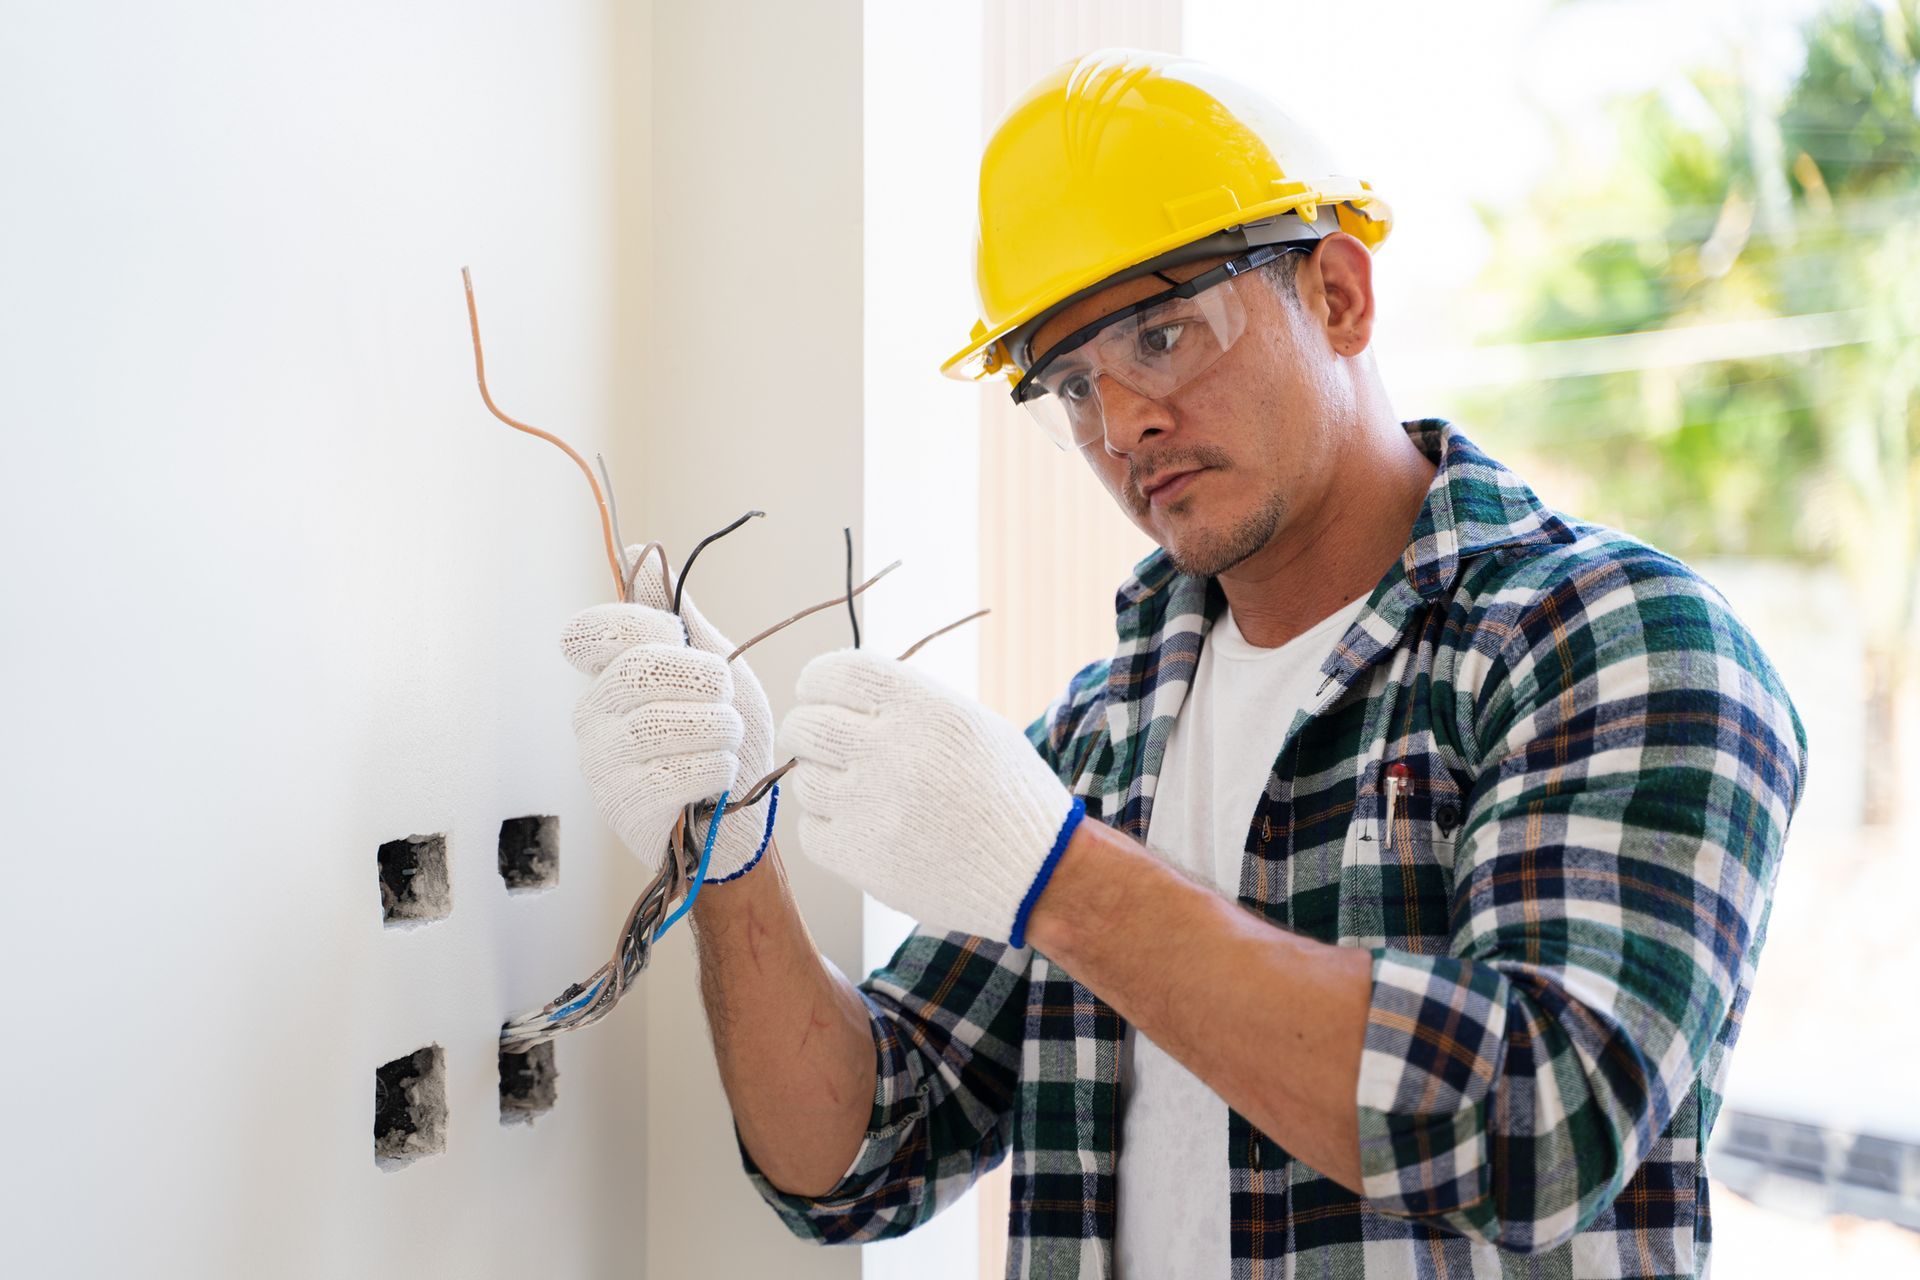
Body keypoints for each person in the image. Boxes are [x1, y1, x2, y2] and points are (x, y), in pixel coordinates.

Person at [560, 48, 1808, 1279]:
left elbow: (1537, 1125)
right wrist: (732, 849)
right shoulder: (1104, 733)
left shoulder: (1612, 642)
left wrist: (1054, 872)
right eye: (1070, 385)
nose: (1121, 426)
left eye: (1162, 335)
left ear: (1339, 295)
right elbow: (861, 1151)